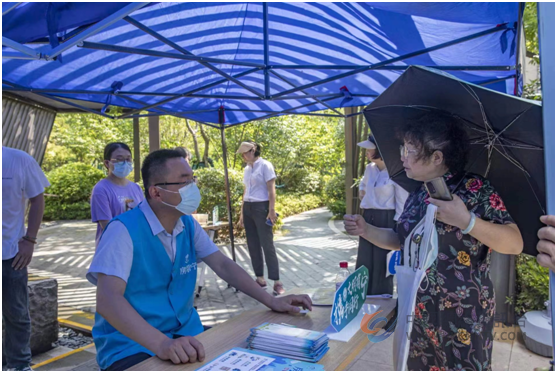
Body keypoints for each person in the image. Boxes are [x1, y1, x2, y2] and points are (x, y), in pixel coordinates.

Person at [87, 149, 311, 371]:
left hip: (185, 333)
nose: (193, 188)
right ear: (156, 193)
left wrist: (271, 301)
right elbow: (108, 300)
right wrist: (162, 344)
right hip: (130, 345)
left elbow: (222, 265)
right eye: (184, 182)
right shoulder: (122, 231)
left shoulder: (187, 224)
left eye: (193, 179)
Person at [344, 112, 523, 371]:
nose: (403, 155)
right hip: (418, 307)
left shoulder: (474, 188)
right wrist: (366, 229)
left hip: (464, 312)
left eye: (410, 149)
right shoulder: (418, 193)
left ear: (437, 157)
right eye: (402, 148)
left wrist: (467, 220)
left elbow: (514, 243)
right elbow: (401, 241)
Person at [2, 147, 50, 371]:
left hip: (9, 254)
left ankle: (19, 366)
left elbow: (37, 199)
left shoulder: (18, 160)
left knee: (16, 314)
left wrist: (30, 239)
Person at [356, 135, 408, 295]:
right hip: (368, 216)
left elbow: (402, 202)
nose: (366, 152)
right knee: (364, 259)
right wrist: (363, 194)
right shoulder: (369, 168)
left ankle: (381, 299)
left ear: (380, 150)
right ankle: (361, 296)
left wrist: (398, 227)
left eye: (369, 148)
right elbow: (363, 185)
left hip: (387, 219)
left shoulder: (396, 171)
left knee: (382, 263)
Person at [236, 141, 283, 295]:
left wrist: (271, 210)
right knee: (252, 244)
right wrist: (242, 214)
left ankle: (277, 282)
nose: (243, 156)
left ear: (253, 150)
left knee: (267, 244)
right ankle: (260, 279)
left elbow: (271, 190)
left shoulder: (265, 165)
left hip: (262, 207)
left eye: (244, 153)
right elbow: (246, 191)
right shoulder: (246, 169)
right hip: (248, 207)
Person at [91, 142, 144, 247]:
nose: (125, 163)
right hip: (113, 247)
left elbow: (143, 217)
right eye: (119, 159)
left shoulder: (136, 188)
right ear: (107, 163)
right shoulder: (101, 189)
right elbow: (107, 225)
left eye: (128, 159)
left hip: (136, 245)